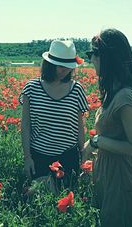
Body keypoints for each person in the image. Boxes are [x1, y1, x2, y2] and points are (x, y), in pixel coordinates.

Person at [81, 29, 132, 227]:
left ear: (107, 58)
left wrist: (97, 142)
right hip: (109, 170)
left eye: (93, 55)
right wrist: (122, 142)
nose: (91, 60)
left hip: (119, 176)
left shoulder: (124, 96)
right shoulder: (118, 90)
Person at [20, 40, 89, 189]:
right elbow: (25, 126)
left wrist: (83, 153)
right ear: (49, 63)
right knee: (38, 198)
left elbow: (79, 125)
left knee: (65, 197)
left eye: (68, 66)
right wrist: (27, 158)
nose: (64, 69)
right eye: (59, 64)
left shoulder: (77, 90)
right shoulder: (31, 88)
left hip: (68, 156)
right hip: (39, 155)